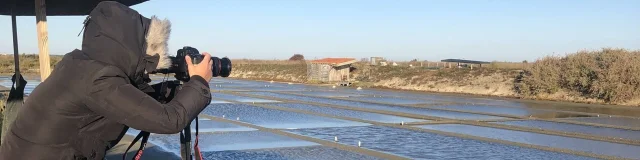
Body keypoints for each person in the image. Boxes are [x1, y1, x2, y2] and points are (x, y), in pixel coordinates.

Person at [0, 1, 213, 159]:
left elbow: (128, 100)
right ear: (129, 45)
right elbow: (169, 120)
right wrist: (199, 83)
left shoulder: (80, 65)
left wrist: (173, 92)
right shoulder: (99, 80)